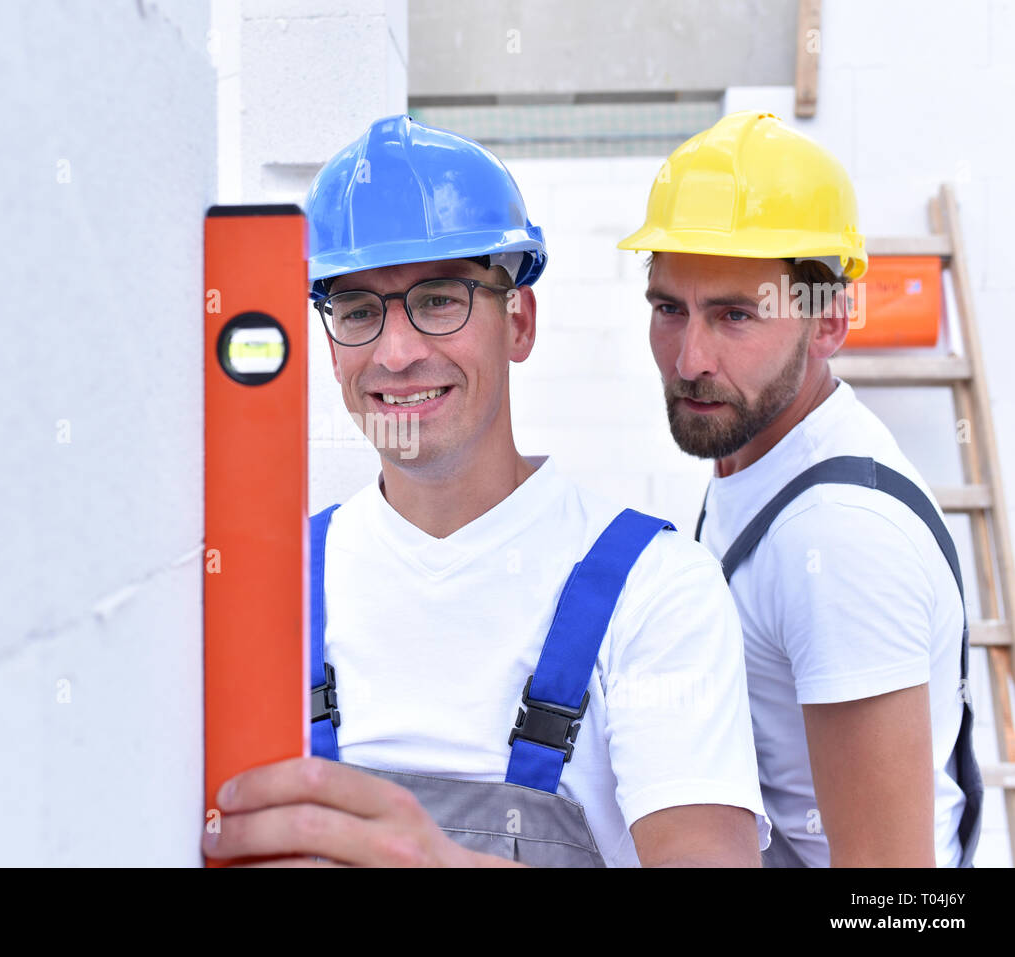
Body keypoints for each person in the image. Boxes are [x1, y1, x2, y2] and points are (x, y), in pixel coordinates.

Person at [202, 115, 769, 867]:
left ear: (520, 323)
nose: (397, 353)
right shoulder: (274, 586)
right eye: (358, 310)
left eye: (440, 300)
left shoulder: (655, 591)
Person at [619, 110, 984, 867]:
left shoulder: (840, 542)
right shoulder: (754, 457)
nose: (688, 358)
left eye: (734, 316)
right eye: (668, 309)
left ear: (827, 323)